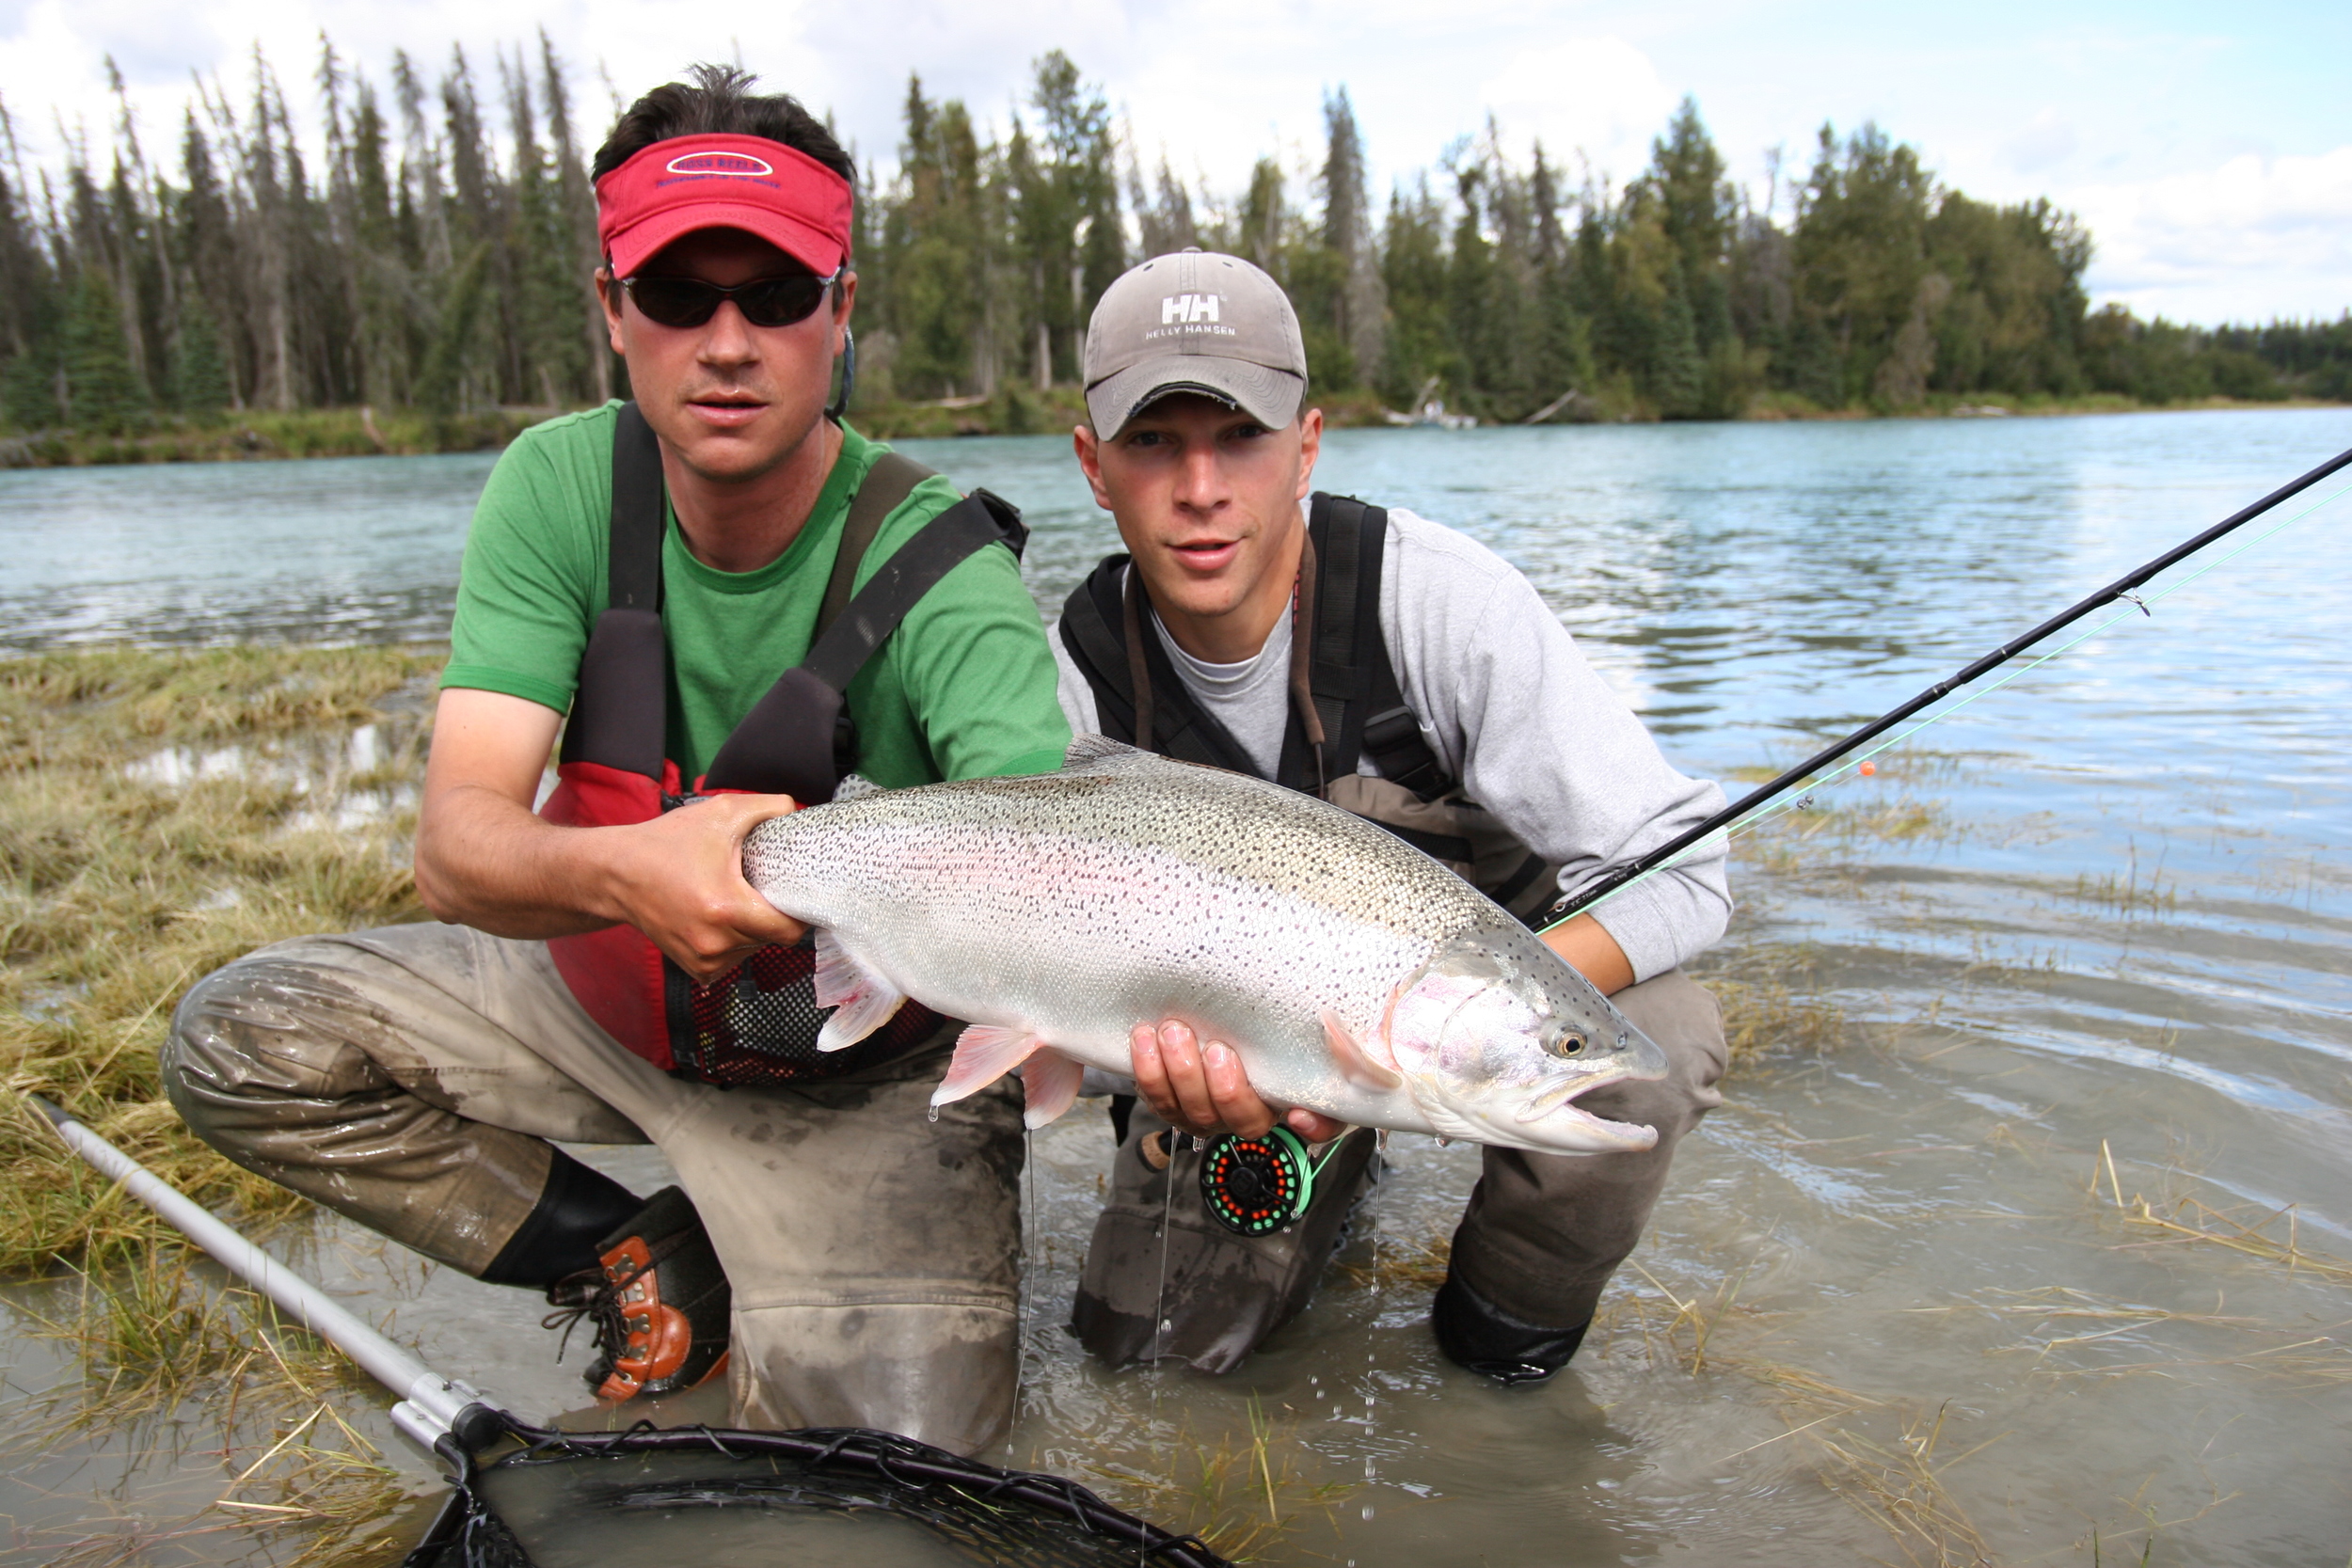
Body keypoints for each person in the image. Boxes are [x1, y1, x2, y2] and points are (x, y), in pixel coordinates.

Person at [157, 66, 1069, 1456]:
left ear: (841, 314)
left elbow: (1059, 871)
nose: (726, 342)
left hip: (855, 1085)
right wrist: (626, 871)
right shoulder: (553, 489)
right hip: (591, 1017)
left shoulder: (943, 567)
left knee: (891, 1489)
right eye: (675, 296)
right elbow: (457, 845)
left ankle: (795, 1266)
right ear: (610, 312)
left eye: (773, 296)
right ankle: (633, 1251)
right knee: (241, 1039)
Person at [1054, 249, 1732, 1383]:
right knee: (1156, 1372)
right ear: (1092, 466)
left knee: (1642, 1060)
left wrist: (1470, 1015)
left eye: (1241, 437)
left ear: (1308, 445)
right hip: (1228, 1068)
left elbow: (1687, 870)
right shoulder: (1070, 679)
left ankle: (1494, 1358)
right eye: (1153, 443)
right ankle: (1331, 1185)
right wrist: (1167, 1075)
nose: (1202, 486)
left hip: (1451, 1011)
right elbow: (1032, 982)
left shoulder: (1442, 605)